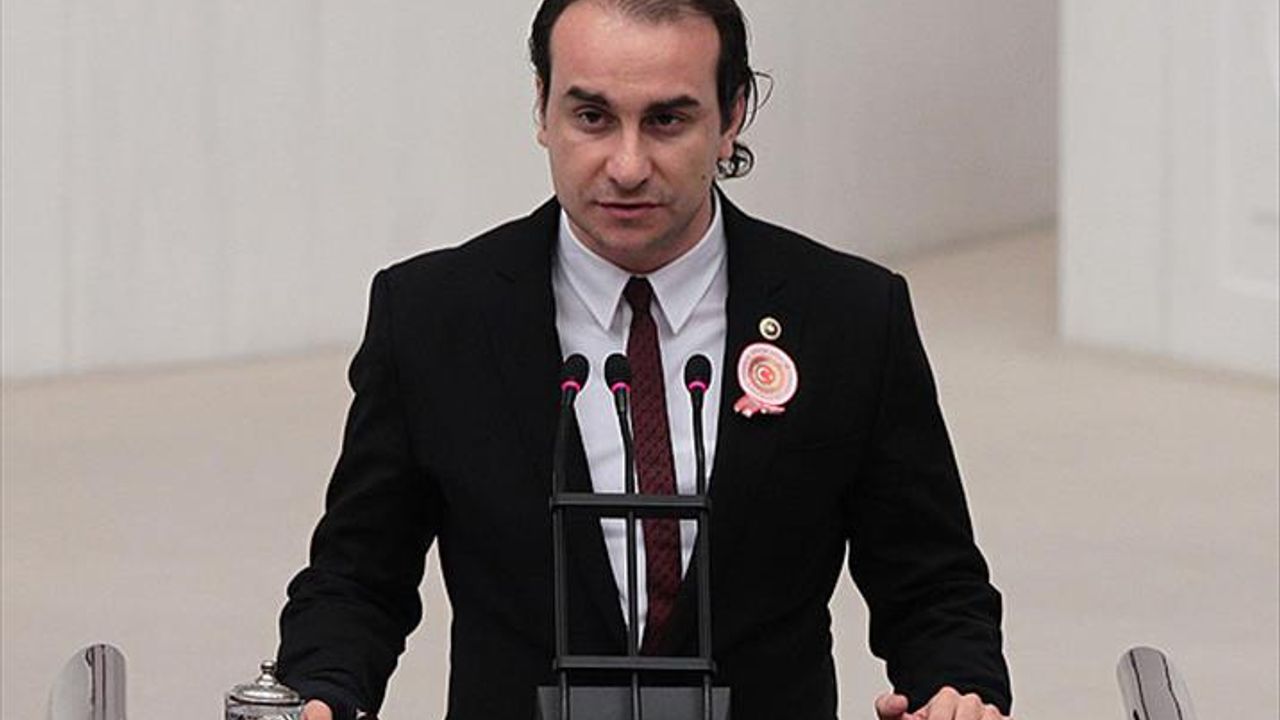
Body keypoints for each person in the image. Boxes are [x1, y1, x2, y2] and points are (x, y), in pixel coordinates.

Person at [276, 1, 1013, 719]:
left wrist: (956, 691)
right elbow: (357, 578)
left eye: (667, 120)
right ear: (542, 109)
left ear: (731, 116)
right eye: (592, 117)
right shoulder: (432, 316)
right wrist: (322, 690)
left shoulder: (850, 316)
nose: (627, 167)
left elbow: (933, 587)